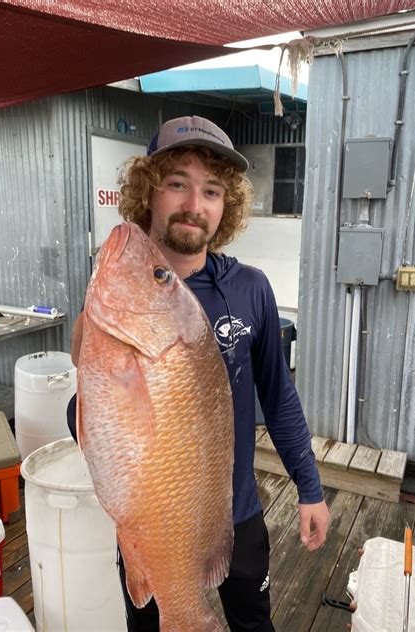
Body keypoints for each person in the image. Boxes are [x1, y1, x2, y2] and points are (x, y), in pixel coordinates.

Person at [68, 115, 329, 632]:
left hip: (240, 513)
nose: (194, 204)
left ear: (225, 206)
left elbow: (278, 398)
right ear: (149, 192)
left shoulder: (251, 289)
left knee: (255, 625)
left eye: (212, 190)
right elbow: (82, 423)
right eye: (177, 184)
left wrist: (310, 487)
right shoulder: (112, 302)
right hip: (152, 523)